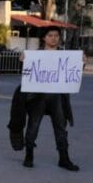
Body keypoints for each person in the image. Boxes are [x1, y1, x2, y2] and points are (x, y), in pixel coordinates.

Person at [17, 26, 80, 171]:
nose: (53, 38)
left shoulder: (66, 56)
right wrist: (23, 61)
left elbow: (74, 73)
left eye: (56, 35)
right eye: (50, 35)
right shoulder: (34, 55)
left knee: (60, 128)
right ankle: (29, 155)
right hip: (38, 97)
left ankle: (64, 158)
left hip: (58, 97)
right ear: (44, 38)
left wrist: (81, 61)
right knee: (33, 126)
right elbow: (27, 74)